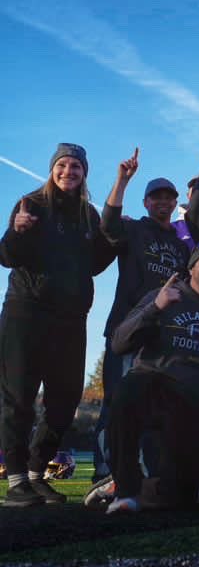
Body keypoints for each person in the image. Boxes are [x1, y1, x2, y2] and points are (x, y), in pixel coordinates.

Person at [1, 143, 117, 506]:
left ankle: (38, 473)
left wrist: (115, 238)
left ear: (85, 173)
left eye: (76, 167)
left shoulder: (89, 214)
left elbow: (95, 263)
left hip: (70, 318)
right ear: (53, 170)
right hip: (27, 312)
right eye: (63, 165)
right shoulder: (31, 204)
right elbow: (7, 257)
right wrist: (17, 231)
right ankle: (17, 478)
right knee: (18, 396)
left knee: (65, 399)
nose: (69, 171)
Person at [104, 242, 199, 513]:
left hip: (192, 400)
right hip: (151, 382)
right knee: (126, 392)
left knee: (179, 500)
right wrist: (155, 309)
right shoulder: (162, 296)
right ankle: (125, 489)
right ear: (191, 268)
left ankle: (138, 489)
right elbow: (119, 344)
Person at [93, 149, 188, 482]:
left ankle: (144, 473)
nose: (163, 202)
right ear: (146, 203)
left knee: (152, 406)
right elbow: (107, 223)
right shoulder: (134, 230)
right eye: (156, 197)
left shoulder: (180, 245)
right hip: (127, 329)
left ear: (176, 203)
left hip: (161, 336)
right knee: (116, 403)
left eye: (168, 197)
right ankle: (106, 473)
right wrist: (123, 180)